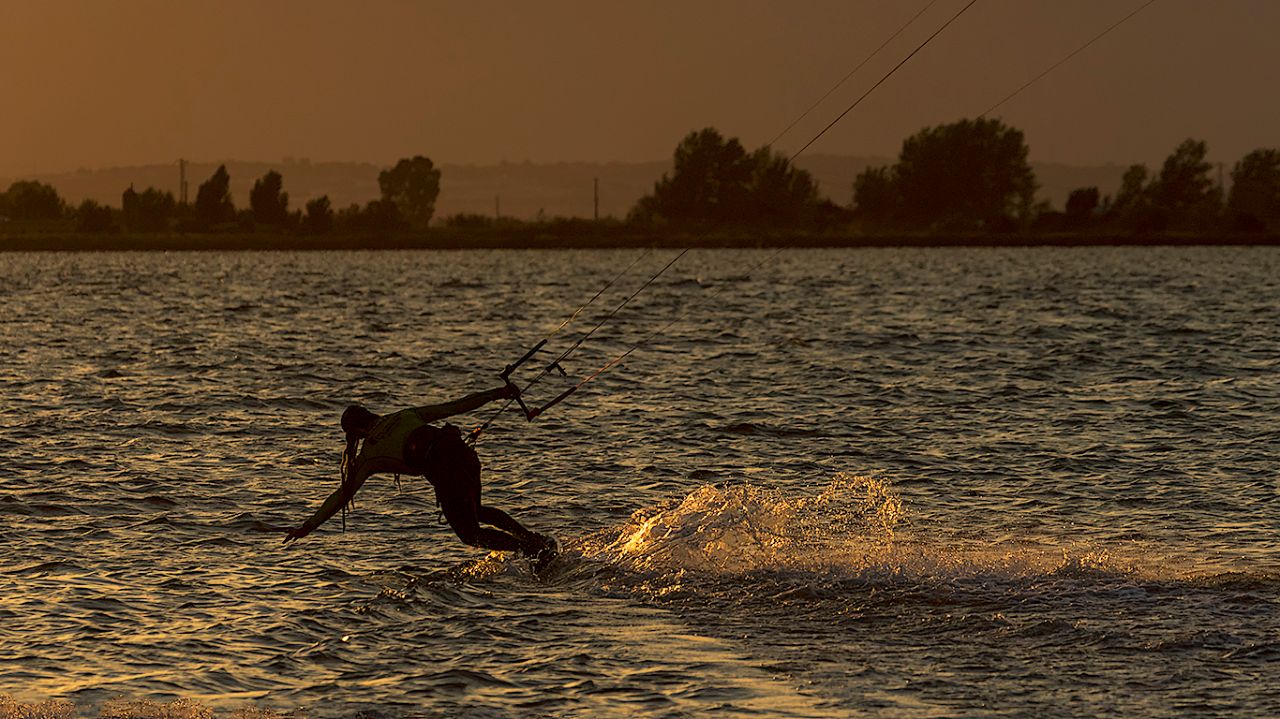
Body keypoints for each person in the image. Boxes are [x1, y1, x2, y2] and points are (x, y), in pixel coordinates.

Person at [283, 384, 555, 563]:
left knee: (470, 534)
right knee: (478, 510)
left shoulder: (369, 454)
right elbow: (456, 406)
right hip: (465, 456)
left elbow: (342, 495)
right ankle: (534, 540)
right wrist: (498, 393)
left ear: (355, 434)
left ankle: (531, 549)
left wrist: (309, 526)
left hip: (448, 472)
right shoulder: (403, 415)